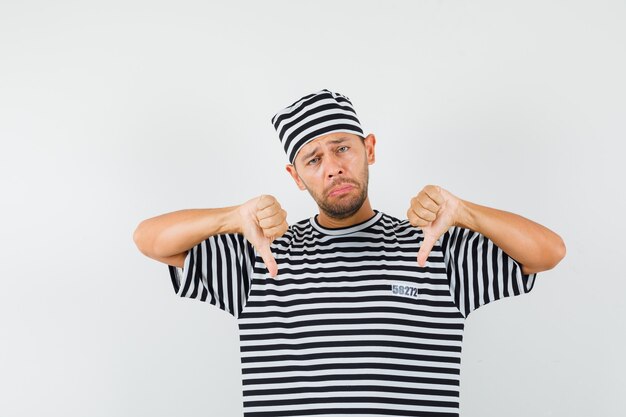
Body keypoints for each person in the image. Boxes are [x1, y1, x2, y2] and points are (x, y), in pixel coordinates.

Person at [133, 89, 565, 417]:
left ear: (369, 149)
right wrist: (230, 218)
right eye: (312, 158)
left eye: (342, 147)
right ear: (296, 177)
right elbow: (150, 241)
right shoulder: (260, 255)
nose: (333, 166)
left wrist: (465, 212)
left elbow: (548, 253)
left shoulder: (434, 245)